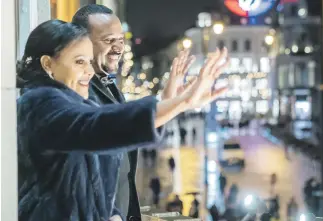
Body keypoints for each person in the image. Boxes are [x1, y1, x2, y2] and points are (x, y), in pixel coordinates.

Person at [17, 19, 229, 221]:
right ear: (47, 64)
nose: (89, 71)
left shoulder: (72, 104)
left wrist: (111, 213)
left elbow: (95, 171)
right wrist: (181, 102)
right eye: (79, 61)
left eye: (90, 61)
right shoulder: (39, 104)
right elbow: (102, 126)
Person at [72, 4, 195, 220]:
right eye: (109, 40)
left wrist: (167, 100)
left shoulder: (107, 85)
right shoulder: (78, 89)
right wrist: (177, 103)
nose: (118, 48)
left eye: (121, 40)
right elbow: (112, 131)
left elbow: (126, 132)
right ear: (81, 42)